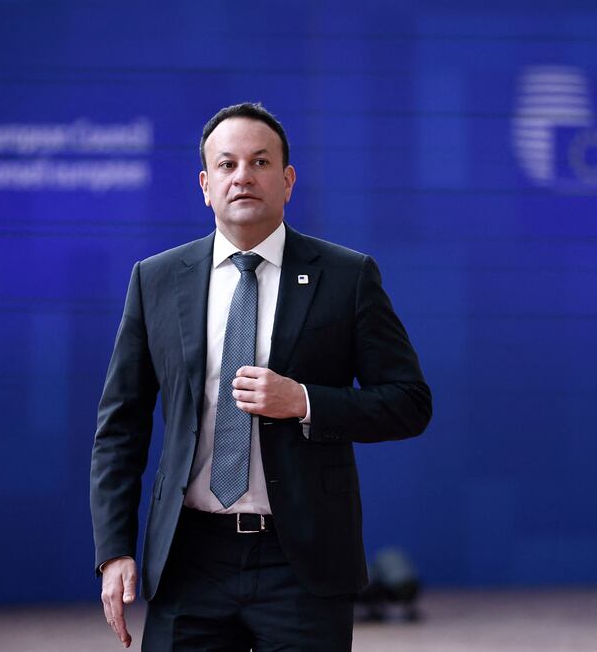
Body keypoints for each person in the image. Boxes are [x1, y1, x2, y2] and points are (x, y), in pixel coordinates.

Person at [90, 102, 431, 651]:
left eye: (260, 161)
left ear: (288, 180)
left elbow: (409, 402)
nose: (243, 176)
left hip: (300, 561)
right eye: (226, 165)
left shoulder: (346, 277)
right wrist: (114, 550)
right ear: (205, 184)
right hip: (189, 557)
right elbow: (120, 427)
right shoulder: (156, 281)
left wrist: (304, 401)